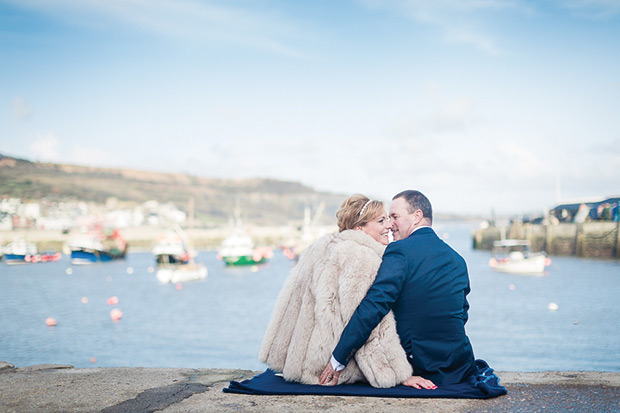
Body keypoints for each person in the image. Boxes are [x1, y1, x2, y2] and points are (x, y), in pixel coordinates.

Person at [319, 190, 477, 388]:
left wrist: (338, 358)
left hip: (421, 366)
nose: (390, 224)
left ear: (417, 216)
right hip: (460, 365)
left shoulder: (399, 251)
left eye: (395, 217)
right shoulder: (457, 259)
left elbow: (374, 306)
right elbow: (461, 313)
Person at [258, 194, 417, 388]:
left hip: (303, 364)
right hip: (328, 368)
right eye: (381, 220)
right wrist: (397, 374)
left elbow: (290, 304)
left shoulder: (322, 247)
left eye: (390, 219)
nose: (389, 226)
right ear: (359, 228)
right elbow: (365, 323)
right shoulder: (361, 255)